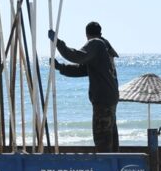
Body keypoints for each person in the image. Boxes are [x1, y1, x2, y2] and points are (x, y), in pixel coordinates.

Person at [49, 22, 120, 152]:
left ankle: (106, 168)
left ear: (87, 34)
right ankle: (114, 167)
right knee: (110, 136)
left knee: (102, 137)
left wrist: (57, 42)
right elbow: (82, 70)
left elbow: (76, 56)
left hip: (103, 99)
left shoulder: (96, 43)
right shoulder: (104, 46)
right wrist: (61, 67)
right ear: (100, 32)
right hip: (110, 97)